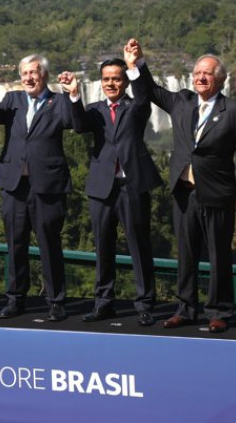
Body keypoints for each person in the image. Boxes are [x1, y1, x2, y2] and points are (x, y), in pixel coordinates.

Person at [126, 39, 236, 334]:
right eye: (197, 72)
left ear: (219, 79)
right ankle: (185, 309)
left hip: (219, 192)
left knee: (219, 254)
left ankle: (219, 311)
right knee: (185, 254)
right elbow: (152, 90)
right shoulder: (182, 102)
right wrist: (137, 63)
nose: (200, 77)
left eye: (207, 73)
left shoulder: (233, 111)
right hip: (184, 192)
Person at [68, 58, 163, 327]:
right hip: (101, 187)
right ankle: (103, 303)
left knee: (139, 246)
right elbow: (78, 126)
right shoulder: (95, 110)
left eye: (117, 78)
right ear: (101, 82)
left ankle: (145, 304)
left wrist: (135, 67)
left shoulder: (136, 106)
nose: (111, 83)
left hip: (132, 185)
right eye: (107, 79)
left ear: (125, 81)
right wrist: (75, 96)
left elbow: (144, 93)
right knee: (103, 247)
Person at [0, 54, 77, 321]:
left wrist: (73, 95)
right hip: (14, 186)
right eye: (24, 73)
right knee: (15, 244)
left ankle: (56, 301)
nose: (28, 78)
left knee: (50, 245)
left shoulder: (58, 101)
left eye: (34, 72)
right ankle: (14, 299)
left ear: (44, 74)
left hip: (47, 186)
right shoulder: (12, 99)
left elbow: (75, 123)